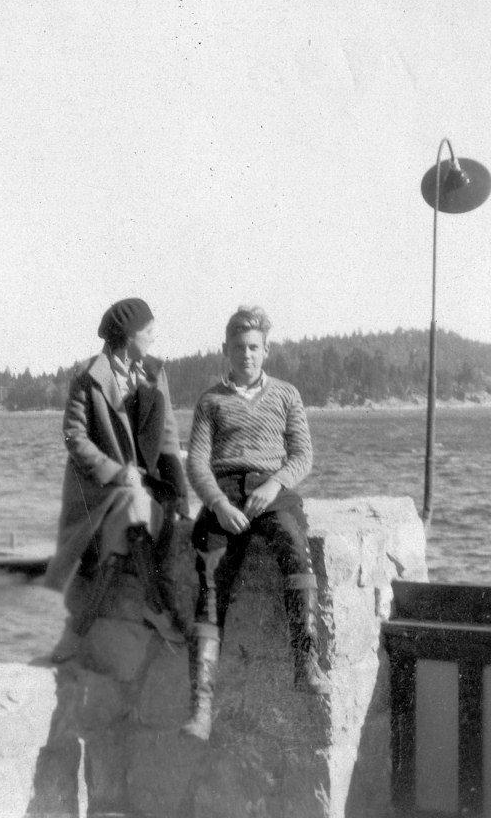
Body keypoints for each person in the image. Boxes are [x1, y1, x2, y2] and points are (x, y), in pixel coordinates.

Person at [182, 306, 331, 741]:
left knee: (294, 548)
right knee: (210, 583)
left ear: (266, 350)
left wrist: (275, 485)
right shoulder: (210, 401)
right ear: (225, 350)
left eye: (254, 347)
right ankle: (202, 707)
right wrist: (217, 504)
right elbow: (196, 462)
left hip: (272, 491)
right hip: (225, 493)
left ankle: (305, 663)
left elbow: (303, 455)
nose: (246, 355)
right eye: (238, 347)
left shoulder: (287, 394)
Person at [44, 297, 188, 661]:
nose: (155, 337)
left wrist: (181, 495)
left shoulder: (156, 371)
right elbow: (74, 437)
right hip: (99, 491)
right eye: (149, 330)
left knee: (134, 519)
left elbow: (169, 435)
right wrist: (116, 472)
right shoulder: (89, 378)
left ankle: (78, 632)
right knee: (131, 510)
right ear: (128, 335)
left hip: (146, 484)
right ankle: (156, 606)